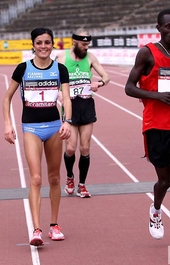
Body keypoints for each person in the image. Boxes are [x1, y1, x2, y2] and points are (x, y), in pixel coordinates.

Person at [124, 9, 170, 257]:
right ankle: (156, 210)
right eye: (168, 27)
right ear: (159, 28)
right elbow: (129, 88)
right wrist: (156, 96)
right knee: (165, 181)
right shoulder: (147, 53)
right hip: (155, 126)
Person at [3, 27, 72, 246]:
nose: (44, 46)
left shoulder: (60, 69)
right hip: (31, 128)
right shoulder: (23, 68)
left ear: (53, 45)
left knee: (54, 178)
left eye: (47, 42)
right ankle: (36, 229)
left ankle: (54, 225)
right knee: (36, 178)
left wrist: (67, 121)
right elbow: (6, 98)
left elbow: (67, 99)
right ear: (33, 45)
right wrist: (8, 124)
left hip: (53, 126)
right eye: (39, 42)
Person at [55, 28, 110, 198]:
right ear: (74, 42)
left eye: (88, 44)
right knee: (70, 149)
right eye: (83, 44)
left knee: (85, 148)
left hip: (86, 105)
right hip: (70, 106)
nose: (86, 47)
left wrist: (98, 83)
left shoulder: (90, 57)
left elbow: (106, 76)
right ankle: (70, 177)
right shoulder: (62, 58)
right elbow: (52, 79)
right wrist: (59, 95)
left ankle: (82, 185)